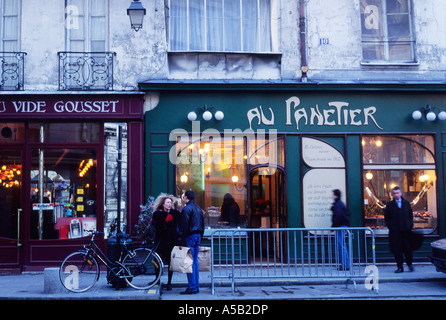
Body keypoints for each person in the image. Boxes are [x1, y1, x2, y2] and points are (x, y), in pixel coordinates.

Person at [152, 194, 181, 290]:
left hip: (171, 242)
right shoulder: (157, 214)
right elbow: (158, 228)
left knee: (170, 263)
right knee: (156, 261)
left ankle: (169, 282)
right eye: (167, 203)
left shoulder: (175, 214)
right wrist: (165, 221)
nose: (169, 204)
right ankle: (157, 279)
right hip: (160, 241)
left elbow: (179, 227)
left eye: (170, 202)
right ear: (163, 204)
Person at [179, 190, 205, 294]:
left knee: (189, 262)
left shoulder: (186, 209)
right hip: (197, 236)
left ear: (186, 197)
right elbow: (202, 225)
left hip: (190, 236)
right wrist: (200, 237)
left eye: (184, 197)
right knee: (195, 261)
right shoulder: (199, 209)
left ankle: (192, 287)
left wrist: (181, 240)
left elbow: (184, 226)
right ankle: (195, 286)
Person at [384, 186, 414, 273]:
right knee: (397, 250)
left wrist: (409, 225)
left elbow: (410, 216)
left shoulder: (407, 203)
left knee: (408, 248)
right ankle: (400, 267)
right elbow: (387, 218)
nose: (396, 195)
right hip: (395, 232)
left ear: (401, 193)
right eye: (394, 193)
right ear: (392, 195)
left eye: (397, 193)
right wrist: (391, 227)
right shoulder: (389, 205)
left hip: (406, 231)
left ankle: (409, 264)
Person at [331, 189, 350, 271]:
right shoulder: (339, 204)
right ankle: (345, 264)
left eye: (333, 195)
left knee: (341, 246)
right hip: (342, 226)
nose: (332, 196)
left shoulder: (338, 204)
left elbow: (338, 217)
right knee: (342, 246)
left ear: (336, 195)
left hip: (340, 227)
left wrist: (333, 226)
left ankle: (345, 265)